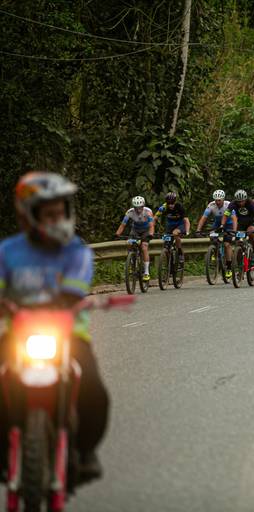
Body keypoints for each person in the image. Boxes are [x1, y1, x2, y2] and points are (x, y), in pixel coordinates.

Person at [1, 171, 108, 480]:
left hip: (68, 334)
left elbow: (74, 289)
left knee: (93, 390)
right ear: (27, 215)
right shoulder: (7, 252)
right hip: (16, 333)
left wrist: (66, 301)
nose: (57, 219)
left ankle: (86, 452)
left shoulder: (77, 251)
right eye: (49, 214)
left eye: (61, 212)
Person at [195, 190, 234, 279]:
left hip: (229, 224)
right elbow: (204, 218)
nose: (217, 202)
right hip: (217, 224)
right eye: (216, 200)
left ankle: (229, 267)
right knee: (212, 235)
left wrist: (234, 230)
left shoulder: (228, 205)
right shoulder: (211, 205)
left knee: (227, 244)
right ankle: (215, 250)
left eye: (219, 200)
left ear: (223, 199)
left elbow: (234, 218)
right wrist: (198, 230)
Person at [115, 195, 155, 281]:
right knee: (129, 243)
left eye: (140, 207)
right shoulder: (129, 212)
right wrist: (117, 233)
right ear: (133, 207)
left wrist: (151, 234)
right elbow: (123, 225)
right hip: (135, 230)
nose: (138, 210)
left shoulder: (148, 212)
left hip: (146, 230)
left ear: (143, 206)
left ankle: (146, 272)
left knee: (144, 247)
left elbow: (152, 225)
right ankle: (131, 262)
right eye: (136, 208)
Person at [154, 192, 190, 265]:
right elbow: (155, 218)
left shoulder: (180, 207)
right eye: (169, 203)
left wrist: (187, 231)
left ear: (175, 201)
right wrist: (152, 228)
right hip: (170, 226)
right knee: (166, 245)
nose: (171, 205)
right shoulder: (163, 207)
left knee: (175, 233)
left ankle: (180, 253)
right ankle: (170, 264)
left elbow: (186, 220)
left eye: (172, 203)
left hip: (180, 225)